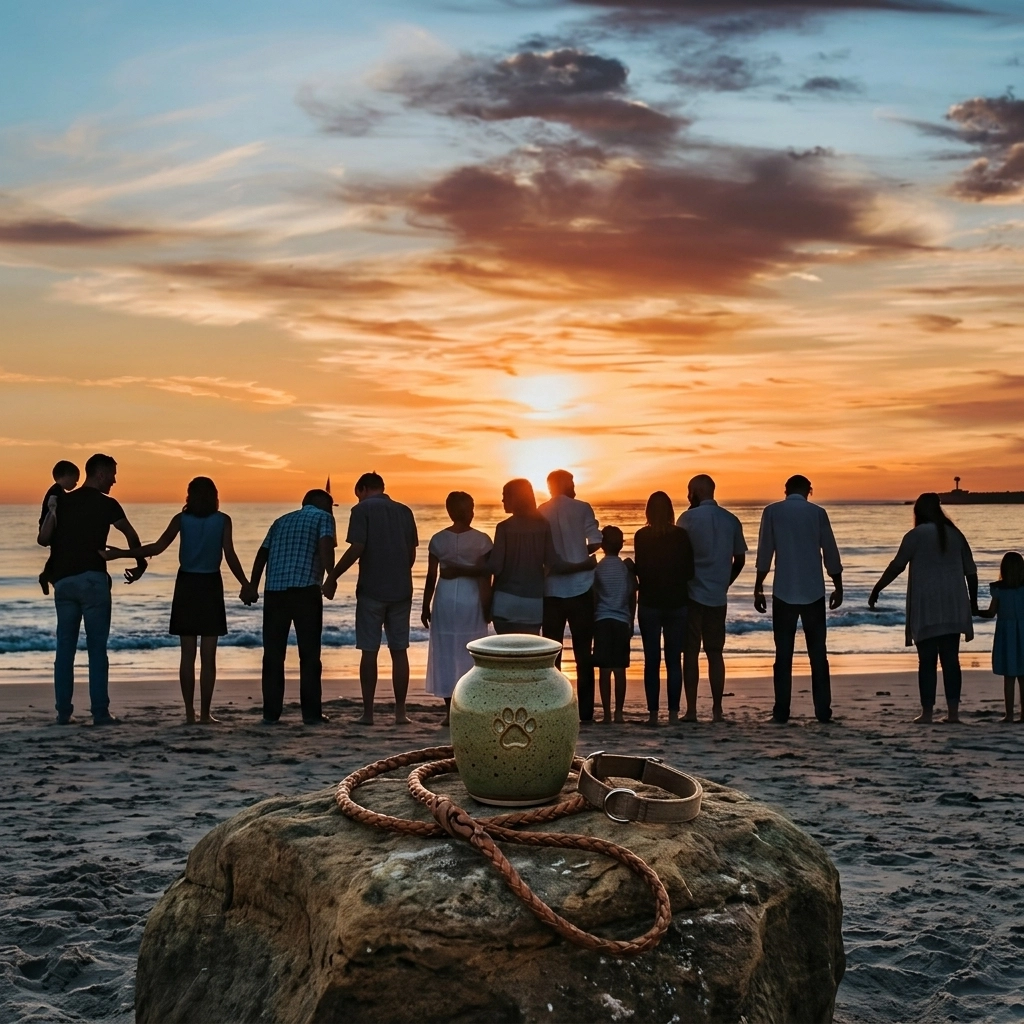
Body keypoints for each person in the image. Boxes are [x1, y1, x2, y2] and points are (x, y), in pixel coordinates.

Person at [101, 477, 250, 725]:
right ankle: (204, 714)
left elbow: (157, 548)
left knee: (187, 655)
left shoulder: (181, 519)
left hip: (187, 585)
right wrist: (245, 583)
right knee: (208, 656)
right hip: (210, 584)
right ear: (214, 495)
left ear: (190, 496)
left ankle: (190, 713)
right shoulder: (223, 520)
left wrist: (121, 553)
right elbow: (230, 555)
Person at [37, 453, 147, 725]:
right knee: (97, 649)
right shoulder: (108, 504)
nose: (114, 480)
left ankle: (64, 713)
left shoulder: (62, 500)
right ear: (99, 473)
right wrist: (140, 562)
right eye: (111, 474)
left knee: (65, 649)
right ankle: (100, 712)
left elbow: (44, 537)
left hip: (63, 582)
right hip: (92, 581)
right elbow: (130, 534)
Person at [441, 480, 595, 646]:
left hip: (505, 602)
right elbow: (554, 564)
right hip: (533, 604)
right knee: (526, 659)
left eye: (504, 496)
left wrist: (459, 570)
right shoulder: (543, 525)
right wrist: (584, 565)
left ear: (514, 498)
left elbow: (494, 567)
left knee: (507, 659)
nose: (502, 501)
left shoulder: (504, 527)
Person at [869, 493, 978, 724]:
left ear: (918, 512)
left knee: (926, 661)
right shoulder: (956, 534)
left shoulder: (915, 535)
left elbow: (896, 566)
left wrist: (877, 588)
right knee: (951, 661)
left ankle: (927, 713)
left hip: (926, 607)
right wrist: (973, 603)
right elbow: (971, 571)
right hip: (952, 605)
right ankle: (953, 714)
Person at [323, 473, 418, 726]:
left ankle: (368, 713)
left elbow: (357, 547)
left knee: (369, 650)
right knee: (400, 651)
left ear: (362, 489)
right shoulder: (405, 511)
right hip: (401, 589)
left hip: (371, 589)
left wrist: (332, 576)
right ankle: (400, 712)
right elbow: (411, 554)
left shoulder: (361, 510)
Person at [754, 475, 843, 724]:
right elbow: (830, 551)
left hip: (784, 590)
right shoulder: (818, 513)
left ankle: (781, 711)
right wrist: (838, 586)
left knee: (783, 655)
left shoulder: (772, 512)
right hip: (813, 590)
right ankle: (823, 711)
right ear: (809, 491)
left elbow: (765, 553)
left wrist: (758, 586)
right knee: (818, 655)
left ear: (785, 490)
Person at [247, 489, 336, 725]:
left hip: (275, 591)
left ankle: (270, 714)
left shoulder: (281, 521)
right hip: (305, 590)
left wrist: (252, 586)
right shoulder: (324, 517)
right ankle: (311, 715)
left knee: (273, 656)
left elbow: (262, 553)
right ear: (323, 504)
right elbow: (326, 546)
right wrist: (331, 577)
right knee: (309, 656)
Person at [678, 474, 747, 723]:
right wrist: (726, 581)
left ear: (695, 492)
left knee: (691, 653)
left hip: (693, 593)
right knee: (715, 653)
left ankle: (692, 710)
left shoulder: (687, 519)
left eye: (689, 491)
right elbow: (740, 558)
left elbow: (680, 555)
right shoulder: (730, 520)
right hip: (718, 595)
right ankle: (717, 710)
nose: (688, 496)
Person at [421, 491, 493, 725]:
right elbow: (486, 574)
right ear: (468, 511)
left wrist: (425, 605)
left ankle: (451, 710)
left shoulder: (438, 539)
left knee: (445, 651)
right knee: (470, 651)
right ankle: (468, 707)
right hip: (470, 597)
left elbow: (431, 577)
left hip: (444, 598)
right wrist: (488, 605)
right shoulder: (482, 540)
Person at [539, 470, 604, 722]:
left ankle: (555, 709)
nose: (575, 485)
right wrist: (579, 554)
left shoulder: (541, 510)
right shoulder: (582, 508)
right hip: (580, 588)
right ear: (566, 484)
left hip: (551, 590)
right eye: (573, 481)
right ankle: (585, 713)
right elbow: (596, 540)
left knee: (553, 655)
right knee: (583, 654)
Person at [633, 491, 694, 726]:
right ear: (670, 511)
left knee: (651, 659)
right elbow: (690, 572)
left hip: (650, 602)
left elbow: (641, 569)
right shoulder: (680, 536)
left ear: (648, 511)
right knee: (673, 660)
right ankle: (673, 714)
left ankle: (653, 714)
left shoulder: (641, 536)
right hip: (677, 602)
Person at [592, 525, 636, 724]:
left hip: (602, 620)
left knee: (603, 670)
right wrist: (631, 620)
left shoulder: (598, 568)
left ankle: (607, 715)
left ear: (602, 545)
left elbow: (594, 596)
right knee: (619, 670)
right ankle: (619, 712)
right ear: (621, 545)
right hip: (621, 621)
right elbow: (632, 595)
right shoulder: (625, 568)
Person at [978, 551, 1024, 723]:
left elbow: (991, 613)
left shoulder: (999, 589)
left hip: (1007, 633)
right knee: (1023, 676)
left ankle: (1009, 715)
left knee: (1009, 677)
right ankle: (1023, 714)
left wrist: (974, 611)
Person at [37, 460, 80, 595]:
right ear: (66, 476)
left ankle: (48, 575)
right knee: (57, 553)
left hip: (50, 525)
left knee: (56, 553)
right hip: (51, 526)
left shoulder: (58, 490)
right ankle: (46, 575)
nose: (76, 483)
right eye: (75, 480)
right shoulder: (56, 490)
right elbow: (55, 504)